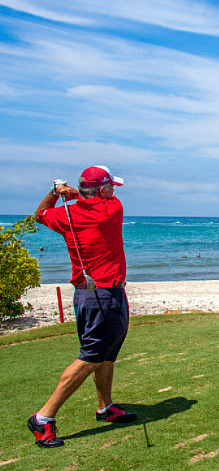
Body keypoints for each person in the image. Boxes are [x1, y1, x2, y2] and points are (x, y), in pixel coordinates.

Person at [28, 165, 137, 448]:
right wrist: (74, 193)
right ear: (103, 191)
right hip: (102, 295)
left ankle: (106, 407)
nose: (114, 191)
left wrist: (56, 192)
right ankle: (44, 417)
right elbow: (95, 199)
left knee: (106, 353)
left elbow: (40, 215)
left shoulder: (65, 214)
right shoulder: (111, 209)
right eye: (111, 187)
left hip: (90, 294)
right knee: (91, 356)